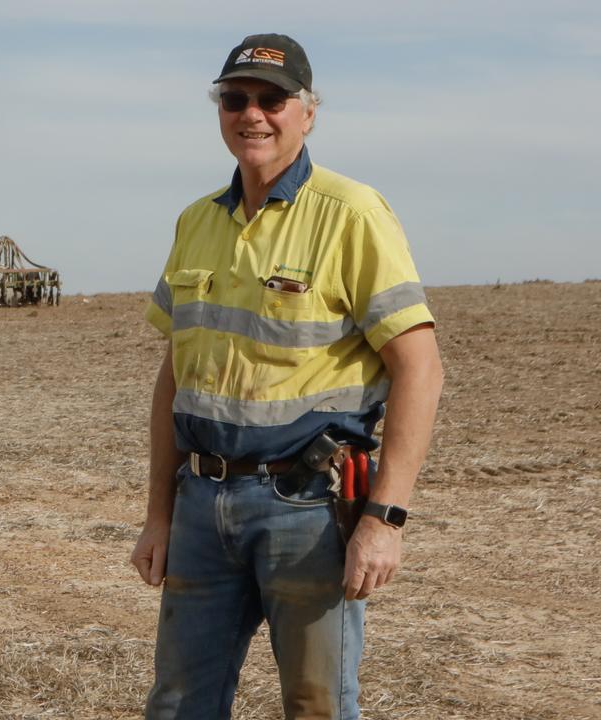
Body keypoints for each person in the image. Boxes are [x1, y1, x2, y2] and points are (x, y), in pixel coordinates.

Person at [131, 33, 444, 719]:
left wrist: (385, 519)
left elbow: (420, 368)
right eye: (236, 98)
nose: (253, 114)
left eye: (273, 99)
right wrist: (159, 515)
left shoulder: (351, 214)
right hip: (200, 507)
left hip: (306, 510)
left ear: (308, 112)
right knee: (179, 702)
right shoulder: (196, 222)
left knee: (317, 705)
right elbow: (174, 378)